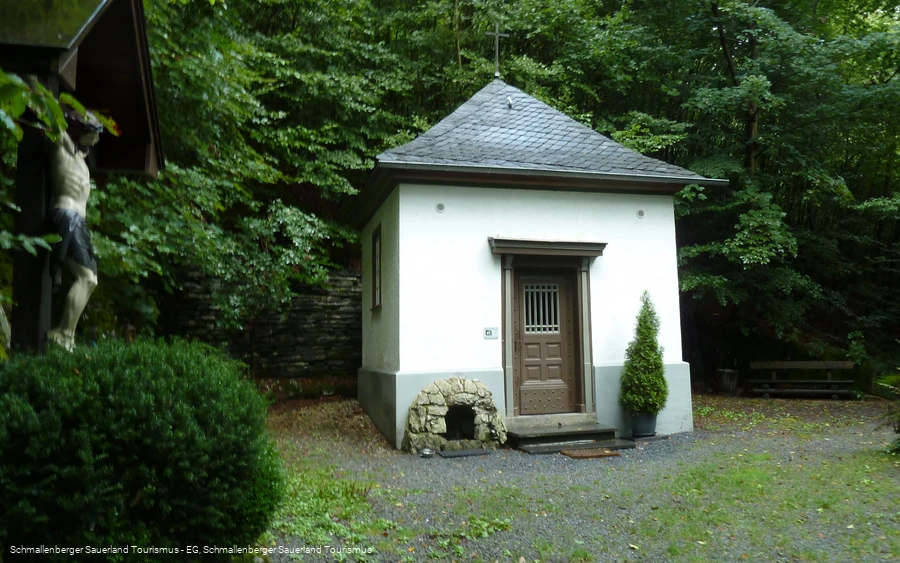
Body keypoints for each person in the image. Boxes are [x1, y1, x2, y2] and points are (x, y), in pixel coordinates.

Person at [46, 109, 103, 351]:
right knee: (86, 277)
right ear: (80, 131)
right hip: (66, 214)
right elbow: (48, 113)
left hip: (79, 221)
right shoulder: (63, 147)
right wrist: (33, 81)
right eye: (93, 133)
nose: (97, 139)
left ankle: (67, 334)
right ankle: (63, 333)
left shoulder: (81, 159)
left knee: (91, 280)